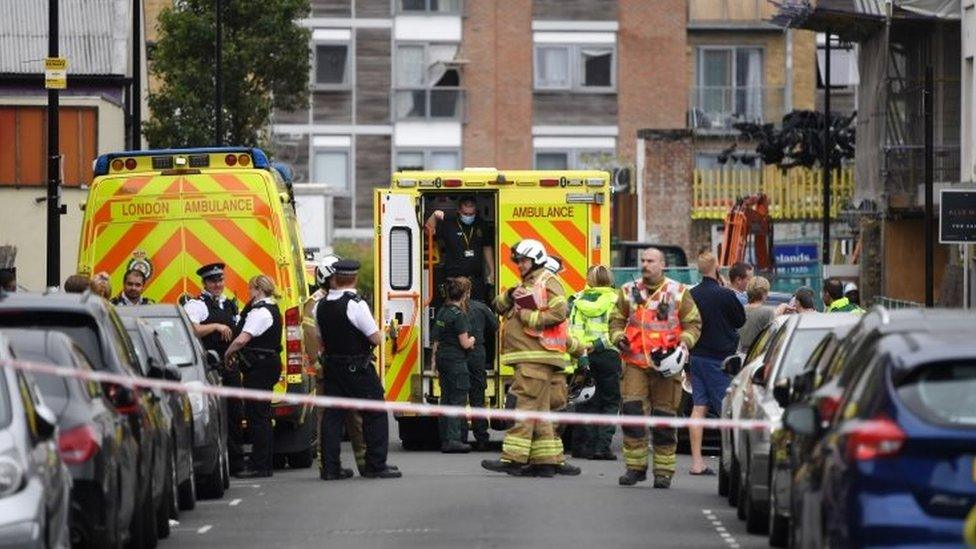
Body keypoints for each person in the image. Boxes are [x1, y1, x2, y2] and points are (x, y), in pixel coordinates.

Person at [610, 247, 701, 489]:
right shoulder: (629, 291)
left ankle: (663, 472)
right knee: (632, 416)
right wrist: (618, 337)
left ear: (662, 265)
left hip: (666, 367)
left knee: (664, 420)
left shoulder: (678, 293)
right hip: (634, 363)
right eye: (643, 260)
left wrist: (684, 344)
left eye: (651, 261)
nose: (645, 264)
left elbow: (693, 324)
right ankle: (635, 468)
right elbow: (616, 319)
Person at [482, 239, 569, 478]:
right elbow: (497, 305)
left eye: (524, 260)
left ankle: (513, 458)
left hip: (536, 356)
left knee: (523, 405)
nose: (519, 265)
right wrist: (511, 294)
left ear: (536, 259)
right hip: (531, 357)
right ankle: (546, 462)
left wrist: (529, 317)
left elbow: (560, 312)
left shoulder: (548, 281)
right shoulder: (525, 284)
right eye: (518, 261)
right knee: (540, 409)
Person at [316, 259, 400, 480]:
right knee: (375, 413)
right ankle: (376, 465)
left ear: (336, 277)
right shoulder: (355, 304)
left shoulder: (320, 305)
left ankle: (331, 468)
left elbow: (319, 338)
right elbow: (375, 338)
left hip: (333, 367)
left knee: (332, 417)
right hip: (357, 368)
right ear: (354, 278)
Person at [304, 255, 370, 474]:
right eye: (335, 277)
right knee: (328, 417)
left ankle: (363, 462)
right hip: (329, 367)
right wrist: (318, 365)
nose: (339, 280)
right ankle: (328, 465)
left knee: (354, 416)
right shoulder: (316, 303)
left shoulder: (334, 299)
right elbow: (311, 336)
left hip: (341, 366)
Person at [183, 263, 245, 474]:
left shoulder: (229, 304)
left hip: (230, 367)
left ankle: (236, 463)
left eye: (220, 280)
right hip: (211, 369)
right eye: (213, 281)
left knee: (235, 415)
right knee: (216, 418)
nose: (217, 284)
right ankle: (218, 464)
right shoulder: (197, 305)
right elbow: (190, 328)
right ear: (204, 283)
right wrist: (216, 327)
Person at [687, 251, 745, 476]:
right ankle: (730, 462)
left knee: (698, 408)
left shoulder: (690, 295)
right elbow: (739, 320)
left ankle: (697, 462)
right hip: (718, 360)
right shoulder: (725, 295)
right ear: (717, 267)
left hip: (696, 357)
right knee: (726, 411)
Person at [224, 275, 283, 478]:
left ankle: (260, 465)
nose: (249, 293)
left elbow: (242, 339)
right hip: (265, 365)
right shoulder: (270, 308)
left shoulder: (260, 312)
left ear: (258, 289)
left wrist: (228, 353)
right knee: (261, 415)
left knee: (257, 417)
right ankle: (263, 462)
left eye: (250, 289)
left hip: (260, 367)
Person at [569, 265, 621, 461]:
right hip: (608, 355)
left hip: (585, 356)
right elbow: (617, 329)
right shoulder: (616, 300)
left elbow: (574, 330)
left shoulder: (578, 301)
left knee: (587, 400)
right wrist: (599, 344)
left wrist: (582, 353)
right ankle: (602, 448)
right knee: (610, 402)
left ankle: (585, 447)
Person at [432, 277, 476, 453]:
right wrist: (473, 339)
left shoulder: (442, 312)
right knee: (457, 400)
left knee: (446, 398)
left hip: (443, 359)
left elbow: (436, 339)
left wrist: (433, 362)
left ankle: (445, 438)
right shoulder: (459, 316)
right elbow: (465, 343)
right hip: (456, 362)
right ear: (464, 295)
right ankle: (454, 440)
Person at [425, 195, 495, 302]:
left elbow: (487, 247)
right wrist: (434, 216)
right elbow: (428, 231)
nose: (468, 216)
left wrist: (492, 270)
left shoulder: (481, 224)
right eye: (465, 214)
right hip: (454, 281)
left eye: (471, 214)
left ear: (476, 211)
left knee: (476, 311)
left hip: (475, 281)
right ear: (458, 210)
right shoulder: (449, 224)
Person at [463, 292, 498, 451]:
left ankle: (460, 437)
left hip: (458, 355)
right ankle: (481, 437)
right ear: (469, 291)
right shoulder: (482, 308)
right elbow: (495, 326)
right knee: (477, 397)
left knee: (458, 398)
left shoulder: (449, 310)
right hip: (477, 354)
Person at [737, 276, 774, 353]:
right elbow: (771, 340)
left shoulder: (740, 309)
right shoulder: (768, 312)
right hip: (757, 355)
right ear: (763, 294)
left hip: (739, 354)